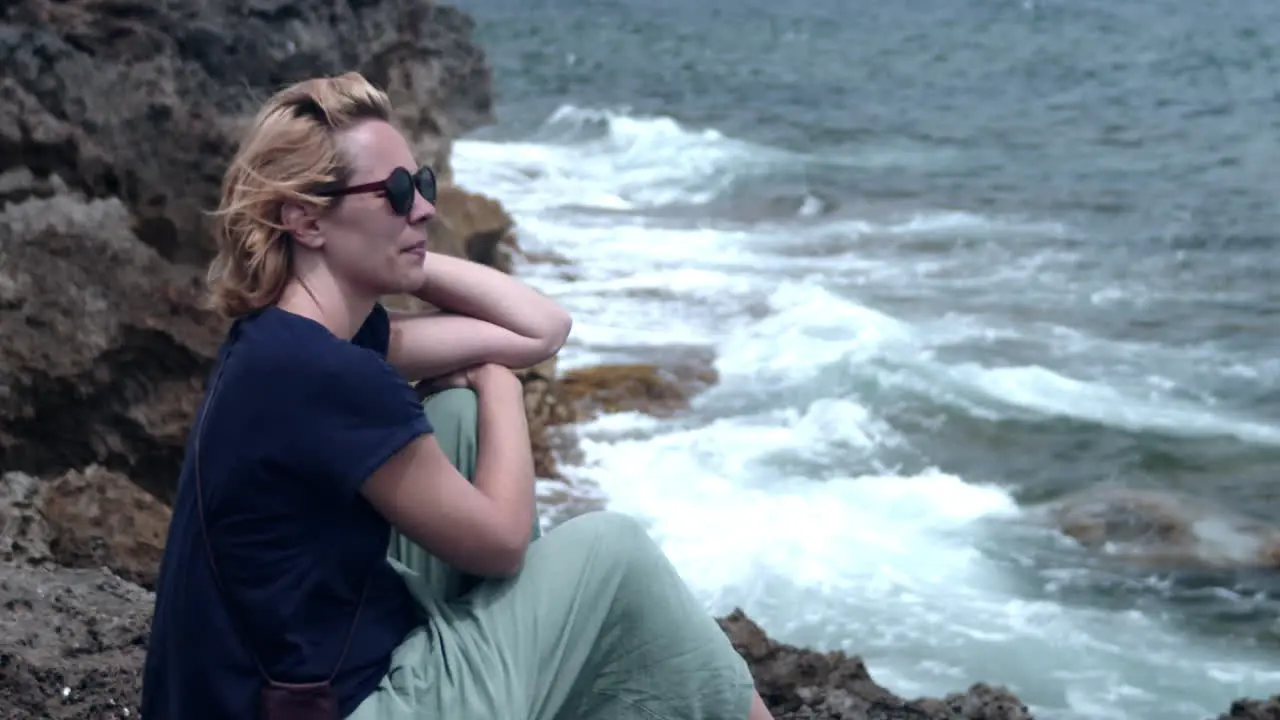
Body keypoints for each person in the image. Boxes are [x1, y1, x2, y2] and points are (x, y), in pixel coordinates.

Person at [140, 71, 775, 720]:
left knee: (457, 420)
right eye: (392, 192)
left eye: (422, 185)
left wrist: (394, 251)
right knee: (613, 554)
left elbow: (541, 328)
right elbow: (500, 542)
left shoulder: (285, 343)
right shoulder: (326, 374)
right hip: (329, 709)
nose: (424, 208)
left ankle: (532, 681)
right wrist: (498, 380)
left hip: (272, 692)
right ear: (304, 219)